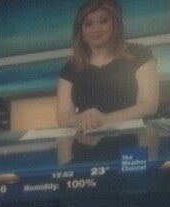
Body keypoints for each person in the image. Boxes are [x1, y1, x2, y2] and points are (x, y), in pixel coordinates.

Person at [57, 0, 160, 132]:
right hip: (87, 137)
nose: (96, 29)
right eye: (88, 24)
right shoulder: (70, 67)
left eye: (103, 21)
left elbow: (149, 106)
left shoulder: (140, 54)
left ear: (115, 24)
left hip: (134, 136)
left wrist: (104, 119)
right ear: (81, 30)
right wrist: (84, 120)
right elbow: (63, 117)